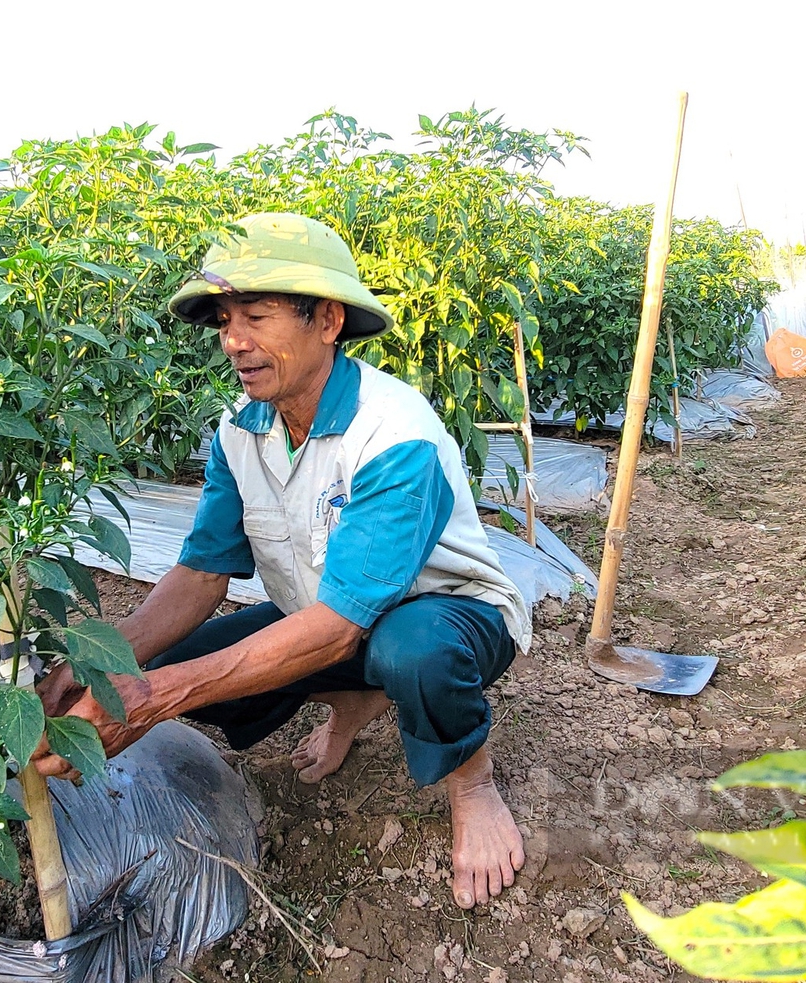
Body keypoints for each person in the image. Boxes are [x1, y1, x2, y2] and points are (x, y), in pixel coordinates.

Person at [33, 212, 533, 909]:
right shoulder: (239, 430)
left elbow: (334, 629)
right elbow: (203, 574)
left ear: (327, 321)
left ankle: (472, 782)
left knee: (410, 651)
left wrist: (157, 697)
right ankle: (356, 702)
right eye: (225, 322)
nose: (235, 342)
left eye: (258, 316)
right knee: (182, 673)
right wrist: (105, 666)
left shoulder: (392, 434)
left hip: (451, 617)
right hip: (331, 619)